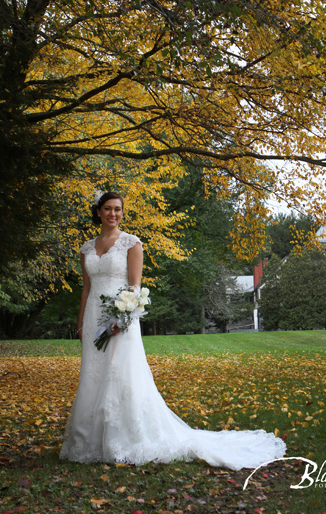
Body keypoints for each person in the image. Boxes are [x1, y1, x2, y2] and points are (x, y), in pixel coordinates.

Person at [60, 191, 286, 469]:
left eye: (118, 209)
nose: (113, 214)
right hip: (95, 317)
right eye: (107, 209)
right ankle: (88, 441)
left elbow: (134, 286)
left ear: (122, 212)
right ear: (98, 212)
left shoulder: (132, 243)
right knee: (94, 375)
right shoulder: (86, 249)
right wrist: (82, 322)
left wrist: (123, 319)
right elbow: (86, 288)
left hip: (121, 318)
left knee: (121, 374)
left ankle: (125, 439)